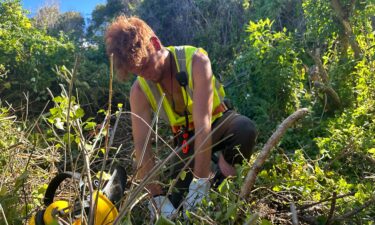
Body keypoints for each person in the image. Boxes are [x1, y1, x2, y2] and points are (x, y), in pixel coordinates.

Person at [105, 16, 257, 219]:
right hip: (186, 142)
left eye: (146, 65)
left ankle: (222, 180)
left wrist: (200, 183)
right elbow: (142, 147)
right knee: (175, 203)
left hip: (218, 124)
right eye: (138, 72)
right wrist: (155, 196)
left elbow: (203, 125)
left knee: (245, 129)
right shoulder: (139, 90)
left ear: (155, 43)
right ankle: (198, 183)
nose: (146, 75)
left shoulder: (195, 61)